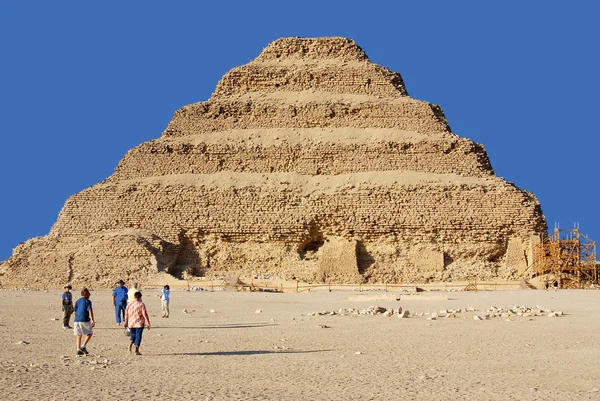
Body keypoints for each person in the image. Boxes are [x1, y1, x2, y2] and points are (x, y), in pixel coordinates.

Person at [124, 291, 151, 355]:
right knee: (138, 336)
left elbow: (126, 314)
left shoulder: (129, 304)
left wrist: (126, 322)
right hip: (139, 323)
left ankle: (130, 344)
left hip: (131, 323)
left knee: (133, 335)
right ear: (140, 297)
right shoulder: (141, 304)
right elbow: (145, 314)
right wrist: (148, 323)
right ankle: (136, 350)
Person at [73, 288, 95, 356]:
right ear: (85, 294)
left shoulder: (77, 301)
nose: (90, 295)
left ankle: (78, 349)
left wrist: (77, 317)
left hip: (76, 320)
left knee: (79, 335)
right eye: (88, 293)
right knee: (90, 333)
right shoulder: (87, 301)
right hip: (84, 319)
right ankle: (83, 346)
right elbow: (90, 310)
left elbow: (75, 312)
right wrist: (92, 320)